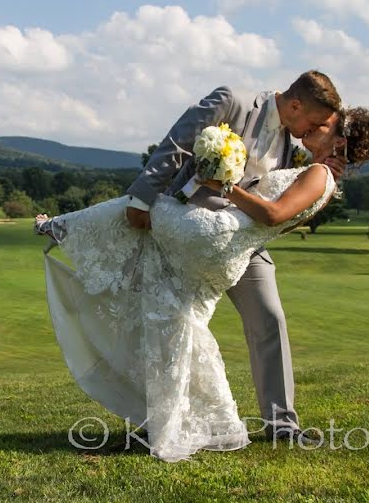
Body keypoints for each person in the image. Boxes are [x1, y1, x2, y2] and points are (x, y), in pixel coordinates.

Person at [36, 104, 369, 462]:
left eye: (325, 124)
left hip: (219, 235)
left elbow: (276, 215)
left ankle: (62, 227)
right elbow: (287, 219)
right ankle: (174, 415)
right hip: (228, 242)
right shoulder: (311, 165)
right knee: (179, 315)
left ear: (340, 139)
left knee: (152, 213)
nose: (314, 125)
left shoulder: (316, 173)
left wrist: (224, 184)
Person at [127, 71, 344, 445]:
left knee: (269, 318)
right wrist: (141, 199)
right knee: (178, 325)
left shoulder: (293, 141)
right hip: (192, 230)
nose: (314, 130)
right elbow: (176, 145)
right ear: (295, 105)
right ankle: (160, 424)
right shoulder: (232, 101)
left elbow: (282, 200)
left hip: (242, 241)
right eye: (314, 121)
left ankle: (282, 427)